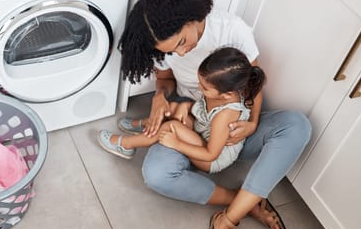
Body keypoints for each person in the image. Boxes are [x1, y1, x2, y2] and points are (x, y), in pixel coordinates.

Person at [116, 0, 312, 229]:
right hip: (194, 117)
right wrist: (160, 96)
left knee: (297, 126)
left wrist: (253, 123)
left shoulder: (231, 30)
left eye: (182, 42)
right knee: (156, 175)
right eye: (173, 50)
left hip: (232, 126)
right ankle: (244, 201)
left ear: (192, 19)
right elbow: (167, 79)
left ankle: (227, 222)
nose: (181, 53)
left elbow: (255, 80)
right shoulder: (169, 47)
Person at [98, 47, 265, 176]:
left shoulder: (225, 115)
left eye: (204, 88)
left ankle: (127, 145)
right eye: (200, 82)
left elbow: (210, 154)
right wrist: (186, 107)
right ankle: (146, 125)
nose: (199, 88)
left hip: (211, 158)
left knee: (172, 127)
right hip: (203, 131)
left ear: (227, 94)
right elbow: (203, 112)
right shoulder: (221, 92)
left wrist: (176, 144)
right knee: (174, 109)